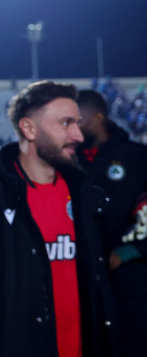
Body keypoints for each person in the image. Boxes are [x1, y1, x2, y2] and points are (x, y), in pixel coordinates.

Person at [0, 80, 116, 357]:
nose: (78, 135)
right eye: (66, 123)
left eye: (78, 123)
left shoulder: (87, 196)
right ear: (29, 128)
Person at [76, 89, 147, 357]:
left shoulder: (138, 157)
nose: (74, 130)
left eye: (78, 121)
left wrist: (127, 252)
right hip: (83, 282)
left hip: (132, 281)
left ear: (97, 118)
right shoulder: (67, 162)